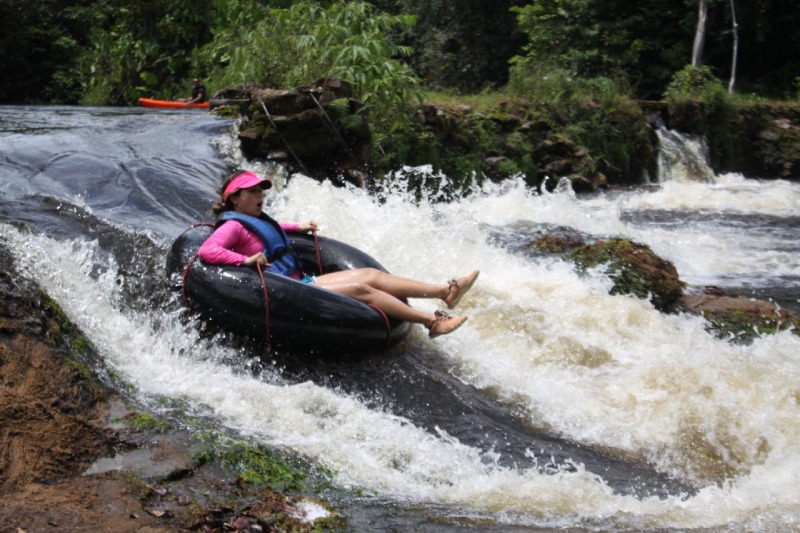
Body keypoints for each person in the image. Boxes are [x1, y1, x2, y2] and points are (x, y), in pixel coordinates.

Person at [197, 171, 480, 338]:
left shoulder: (254, 219)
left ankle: (445, 290)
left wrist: (298, 226)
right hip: (285, 291)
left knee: (371, 275)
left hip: (300, 281)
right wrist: (244, 260)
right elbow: (207, 250)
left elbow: (271, 229)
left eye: (261, 190)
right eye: (253, 191)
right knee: (361, 288)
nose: (261, 195)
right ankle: (433, 321)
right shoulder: (232, 225)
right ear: (234, 198)